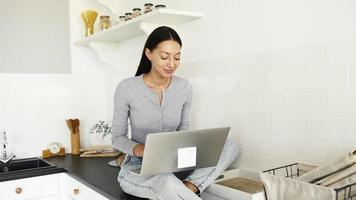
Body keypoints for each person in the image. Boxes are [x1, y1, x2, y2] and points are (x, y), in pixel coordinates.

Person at [111, 26, 239, 200]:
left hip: (176, 162)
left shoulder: (184, 87)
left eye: (177, 57)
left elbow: (183, 130)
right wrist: (141, 150)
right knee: (166, 181)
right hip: (138, 165)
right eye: (164, 57)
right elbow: (117, 137)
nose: (172, 64)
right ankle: (177, 190)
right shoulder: (127, 87)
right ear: (149, 54)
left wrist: (188, 151)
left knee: (230, 145)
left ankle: (188, 187)